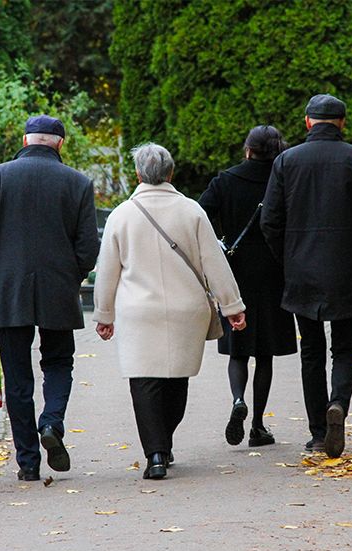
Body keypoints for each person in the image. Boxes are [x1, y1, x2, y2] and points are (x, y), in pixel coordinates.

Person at [260, 94, 352, 459]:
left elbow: (270, 221)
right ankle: (338, 402)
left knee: (311, 351)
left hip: (301, 271)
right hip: (347, 269)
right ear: (342, 123)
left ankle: (318, 433)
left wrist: (286, 259)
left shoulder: (285, 161)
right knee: (345, 348)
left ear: (308, 122)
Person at [93, 143, 246, 480]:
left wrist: (104, 315)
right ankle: (165, 440)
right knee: (176, 379)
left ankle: (156, 454)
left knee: (143, 382)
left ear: (137, 174)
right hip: (186, 310)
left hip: (138, 312)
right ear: (171, 172)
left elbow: (107, 271)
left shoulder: (122, 215)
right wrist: (232, 306)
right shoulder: (192, 211)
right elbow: (214, 263)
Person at [0, 115, 100, 482]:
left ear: (26, 140)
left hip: (9, 291)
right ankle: (52, 423)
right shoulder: (78, 183)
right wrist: (70, 276)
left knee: (17, 376)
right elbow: (89, 248)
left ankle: (27, 461)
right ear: (59, 143)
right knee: (58, 363)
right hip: (58, 290)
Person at [198, 126, 296, 448]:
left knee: (238, 348)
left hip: (235, 270)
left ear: (248, 149)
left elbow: (199, 216)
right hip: (274, 271)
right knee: (264, 352)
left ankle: (238, 399)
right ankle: (257, 426)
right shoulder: (284, 177)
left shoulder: (225, 180)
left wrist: (218, 245)